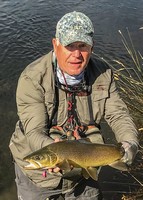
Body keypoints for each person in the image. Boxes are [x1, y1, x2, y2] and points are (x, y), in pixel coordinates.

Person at [9, 11, 139, 200]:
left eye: (83, 46)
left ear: (92, 47)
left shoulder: (104, 74)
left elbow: (118, 115)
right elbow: (34, 131)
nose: (76, 54)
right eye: (70, 45)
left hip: (85, 169)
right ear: (56, 44)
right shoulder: (32, 78)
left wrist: (129, 143)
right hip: (40, 179)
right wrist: (54, 154)